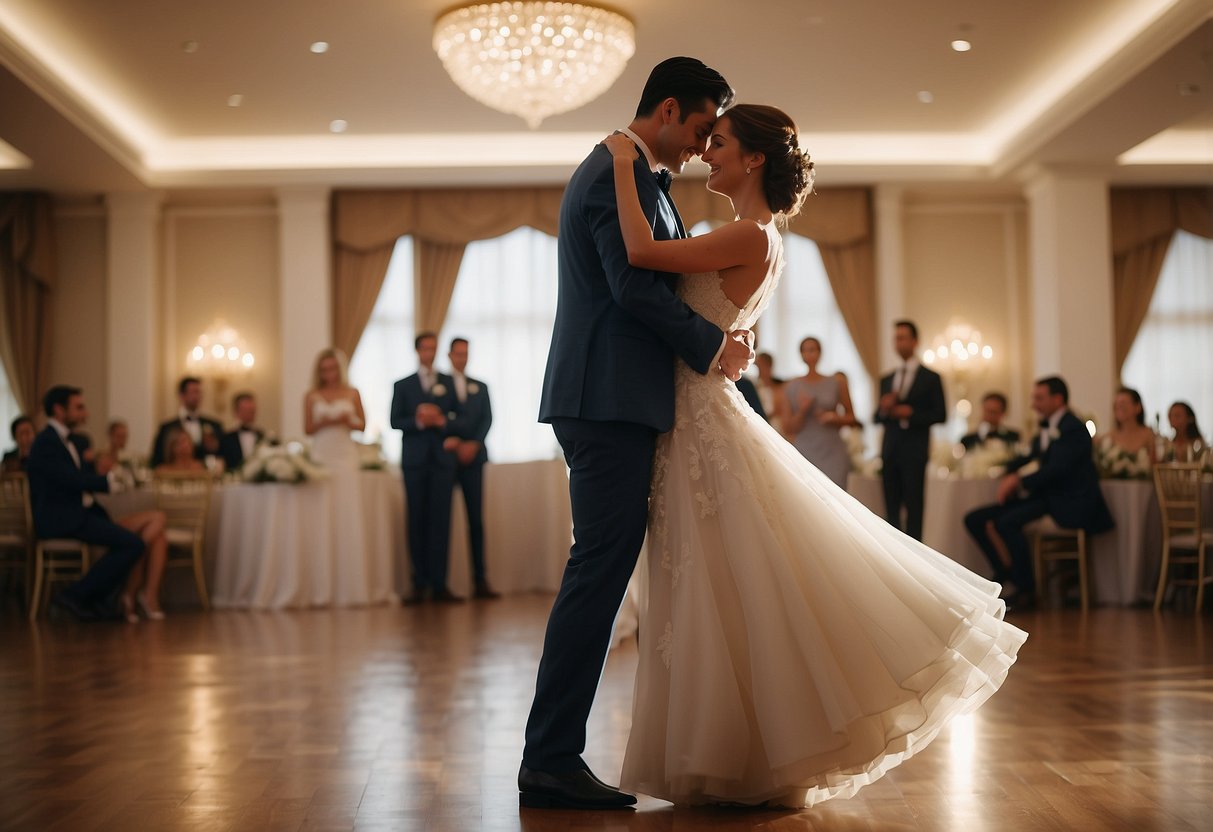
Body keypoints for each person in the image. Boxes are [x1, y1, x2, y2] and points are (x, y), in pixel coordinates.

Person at [602, 102, 1025, 809]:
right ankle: (734, 752)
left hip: (698, 420)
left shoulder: (747, 234)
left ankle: (735, 752)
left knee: (724, 585)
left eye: (722, 142)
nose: (708, 151)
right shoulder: (756, 236)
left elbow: (640, 253)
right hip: (693, 415)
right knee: (721, 586)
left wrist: (624, 162)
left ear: (755, 160)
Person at [521, 57, 750, 811]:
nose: (699, 144)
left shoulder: (637, 177)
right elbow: (631, 288)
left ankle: (552, 754)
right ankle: (550, 758)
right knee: (596, 573)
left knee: (601, 571)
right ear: (669, 109)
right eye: (698, 128)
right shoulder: (608, 175)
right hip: (604, 401)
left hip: (615, 399)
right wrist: (714, 348)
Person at [964, 376, 1114, 608]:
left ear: (1058, 399)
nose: (1033, 404)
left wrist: (1018, 481)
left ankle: (1026, 590)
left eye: (1039, 398)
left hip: (1066, 501)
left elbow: (1057, 470)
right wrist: (1002, 468)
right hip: (1043, 497)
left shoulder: (1073, 429)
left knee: (1006, 522)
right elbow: (1032, 457)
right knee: (974, 519)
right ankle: (1005, 572)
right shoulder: (1046, 427)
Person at [25, 386, 145, 621]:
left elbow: (80, 475)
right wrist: (109, 481)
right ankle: (74, 596)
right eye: (78, 407)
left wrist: (101, 471)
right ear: (59, 410)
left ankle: (93, 599)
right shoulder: (45, 443)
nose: (84, 413)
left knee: (129, 540)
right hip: (60, 518)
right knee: (132, 544)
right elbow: (69, 480)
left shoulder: (73, 441)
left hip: (77, 514)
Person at [391, 333, 463, 606]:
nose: (429, 353)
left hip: (442, 461)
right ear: (417, 350)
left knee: (441, 521)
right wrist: (419, 420)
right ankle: (418, 583)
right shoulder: (403, 385)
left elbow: (459, 417)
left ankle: (439, 584)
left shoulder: (448, 382)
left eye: (433, 348)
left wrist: (441, 420)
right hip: (414, 461)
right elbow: (395, 420)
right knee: (417, 520)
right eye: (425, 348)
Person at [306, 348, 381, 606]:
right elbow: (307, 428)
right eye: (324, 369)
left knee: (347, 512)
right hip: (322, 455)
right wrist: (328, 421)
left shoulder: (352, 392)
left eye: (333, 368)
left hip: (345, 455)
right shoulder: (311, 396)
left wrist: (346, 420)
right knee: (322, 513)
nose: (329, 374)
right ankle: (322, 581)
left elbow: (362, 425)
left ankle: (352, 582)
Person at [875, 320, 947, 540]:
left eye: (903, 337)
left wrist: (911, 414)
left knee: (915, 508)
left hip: (915, 451)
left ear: (915, 341)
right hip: (890, 450)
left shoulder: (931, 378)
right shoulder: (886, 379)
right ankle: (894, 556)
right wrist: (885, 409)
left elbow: (941, 415)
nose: (898, 343)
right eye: (896, 338)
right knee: (891, 509)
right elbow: (876, 417)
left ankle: (917, 559)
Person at [443, 337, 499, 600]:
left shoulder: (481, 386)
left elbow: (487, 419)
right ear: (449, 355)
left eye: (466, 354)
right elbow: (441, 418)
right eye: (458, 354)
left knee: (475, 520)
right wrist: (455, 445)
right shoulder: (438, 385)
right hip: (445, 460)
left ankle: (480, 580)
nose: (462, 358)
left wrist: (473, 444)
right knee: (442, 520)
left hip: (474, 459)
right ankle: (439, 583)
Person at [777, 336, 858, 488]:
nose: (809, 354)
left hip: (832, 451)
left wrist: (833, 418)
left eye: (813, 349)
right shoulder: (791, 386)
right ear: (800, 355)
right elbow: (787, 428)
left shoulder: (837, 382)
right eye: (805, 350)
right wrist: (802, 411)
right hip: (805, 452)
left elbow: (852, 418)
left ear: (820, 353)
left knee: (836, 499)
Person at [150, 377, 223, 468]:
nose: (197, 396)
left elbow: (222, 457)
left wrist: (213, 447)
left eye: (199, 392)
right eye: (193, 392)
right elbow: (157, 460)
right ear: (182, 395)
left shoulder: (214, 425)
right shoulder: (167, 428)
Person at [1094, 387, 1157, 471]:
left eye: (1123, 403)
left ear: (1137, 407)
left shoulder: (1150, 436)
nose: (1119, 407)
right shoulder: (1106, 438)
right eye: (1116, 404)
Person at [219, 392, 265, 471]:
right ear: (236, 412)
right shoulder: (226, 439)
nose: (249, 414)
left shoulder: (263, 437)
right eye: (245, 410)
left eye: (252, 410)